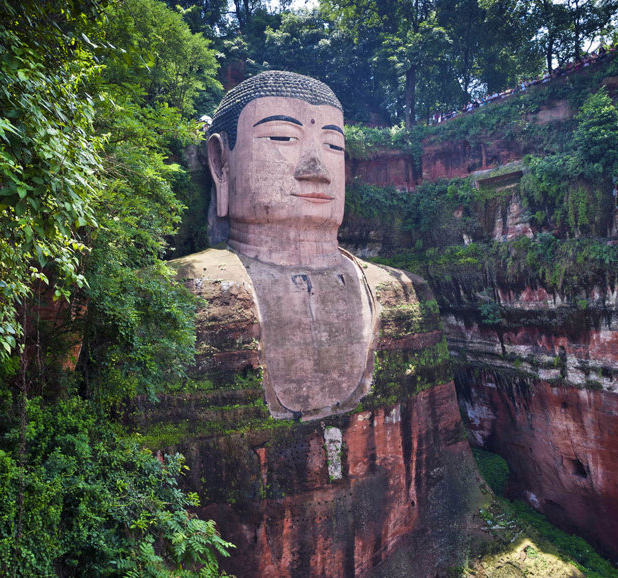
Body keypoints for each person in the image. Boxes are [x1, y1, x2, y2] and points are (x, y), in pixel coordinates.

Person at [170, 71, 432, 421]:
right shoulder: (170, 295)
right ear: (220, 162)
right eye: (282, 136)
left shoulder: (405, 292)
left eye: (333, 145)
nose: (316, 168)